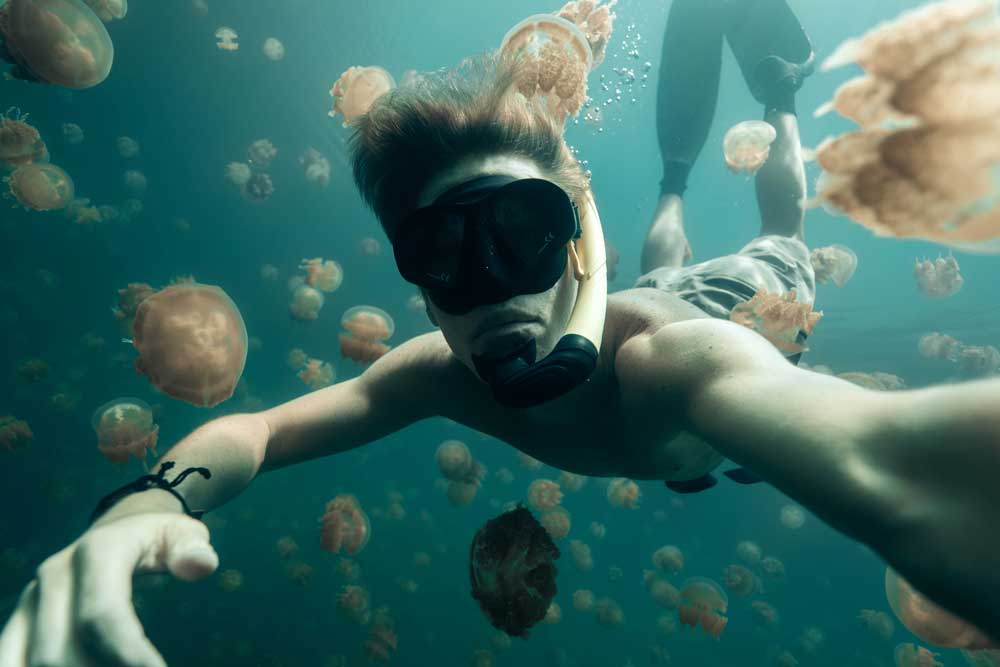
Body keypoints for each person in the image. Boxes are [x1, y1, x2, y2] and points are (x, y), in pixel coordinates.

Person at [3, 1, 999, 664]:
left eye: (521, 236)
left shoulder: (678, 362)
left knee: (782, 229)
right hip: (648, 301)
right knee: (665, 248)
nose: (493, 293)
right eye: (444, 253)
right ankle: (669, 179)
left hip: (742, 297)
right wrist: (141, 505)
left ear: (570, 247)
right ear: (421, 287)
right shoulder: (443, 372)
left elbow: (885, 462)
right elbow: (259, 432)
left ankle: (780, 104)